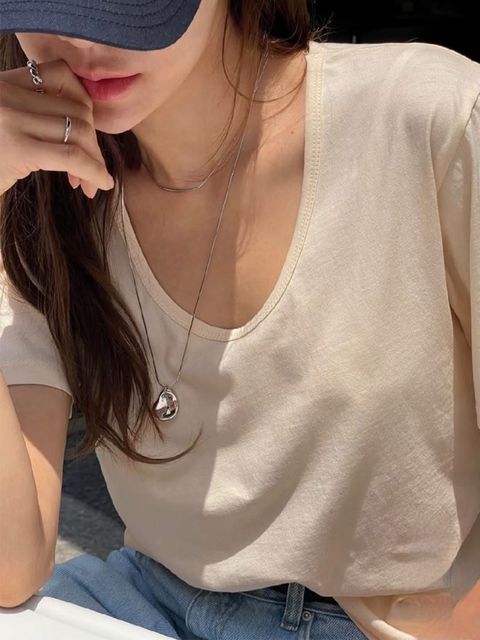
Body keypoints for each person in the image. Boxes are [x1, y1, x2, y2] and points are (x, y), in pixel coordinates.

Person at [0, 1, 479, 639]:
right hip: (148, 603)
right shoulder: (40, 192)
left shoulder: (425, 117)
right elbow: (11, 565)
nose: (83, 41)